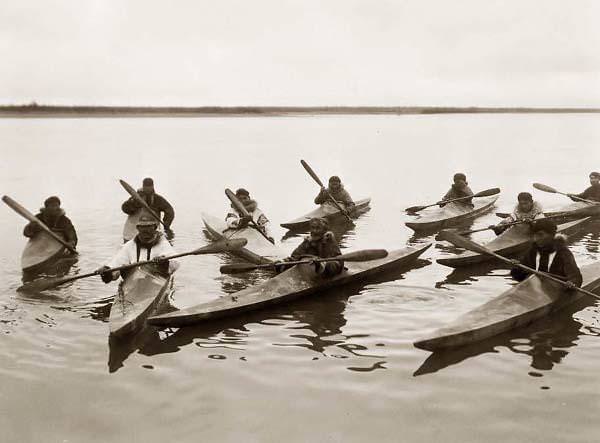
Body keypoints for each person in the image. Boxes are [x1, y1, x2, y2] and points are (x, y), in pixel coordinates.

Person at [96, 214, 180, 283]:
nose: (145, 230)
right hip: (133, 283)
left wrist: (164, 261)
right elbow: (116, 263)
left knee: (161, 265)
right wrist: (107, 270)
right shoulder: (129, 245)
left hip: (156, 281)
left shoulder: (162, 243)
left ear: (154, 227)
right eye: (142, 227)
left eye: (148, 227)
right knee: (124, 267)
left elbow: (176, 262)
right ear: (138, 228)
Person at [510, 218, 582, 289]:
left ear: (552, 235)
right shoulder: (533, 250)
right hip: (535, 289)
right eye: (534, 235)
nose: (536, 239)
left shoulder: (563, 252)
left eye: (540, 235)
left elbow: (575, 277)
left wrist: (572, 282)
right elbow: (520, 276)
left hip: (555, 289)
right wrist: (518, 267)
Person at [276, 217, 344, 277]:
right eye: (313, 228)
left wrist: (320, 264)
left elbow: (338, 263)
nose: (314, 231)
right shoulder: (307, 242)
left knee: (331, 264)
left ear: (324, 230)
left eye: (318, 228)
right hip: (307, 270)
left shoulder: (328, 241)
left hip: (324, 271)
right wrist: (282, 262)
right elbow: (295, 257)